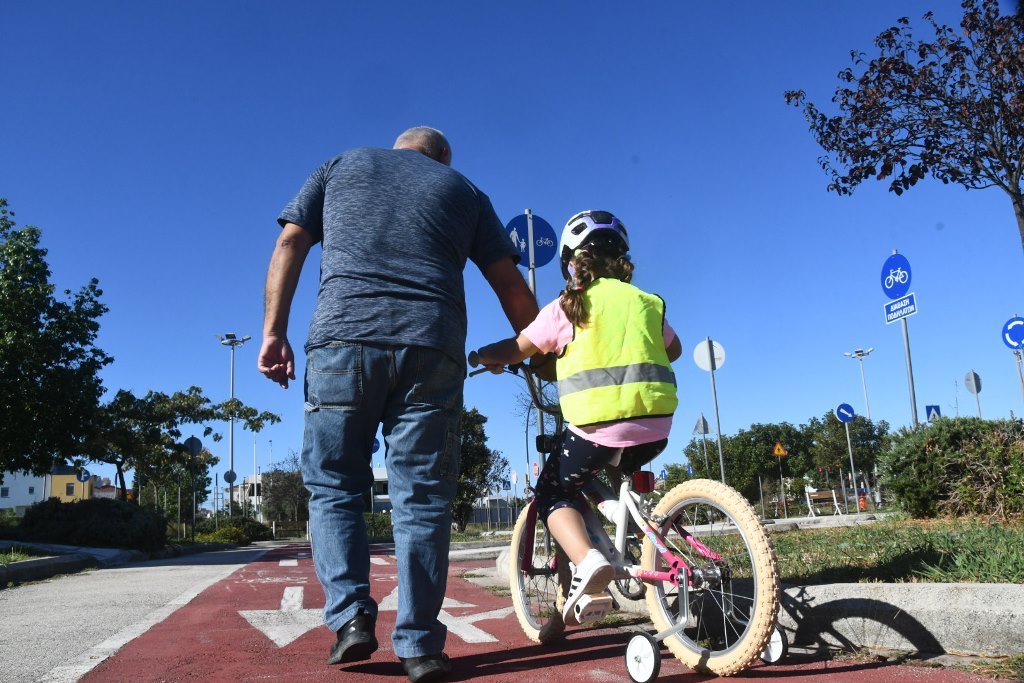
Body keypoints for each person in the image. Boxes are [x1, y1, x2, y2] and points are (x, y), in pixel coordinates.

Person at [258, 126, 538, 683]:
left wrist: (273, 332)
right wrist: (542, 349)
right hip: (432, 348)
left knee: (335, 485)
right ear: (442, 158)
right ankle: (420, 647)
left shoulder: (339, 166)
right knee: (424, 499)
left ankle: (352, 618)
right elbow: (507, 282)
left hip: (342, 341)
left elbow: (290, 241)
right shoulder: (465, 191)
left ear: (398, 148)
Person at [470, 210, 682, 626]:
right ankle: (639, 542)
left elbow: (517, 348)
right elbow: (673, 351)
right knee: (613, 482)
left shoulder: (569, 306)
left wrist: (485, 356)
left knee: (553, 492)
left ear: (571, 261)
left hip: (596, 428)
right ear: (622, 259)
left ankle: (588, 562)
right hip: (657, 427)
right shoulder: (647, 302)